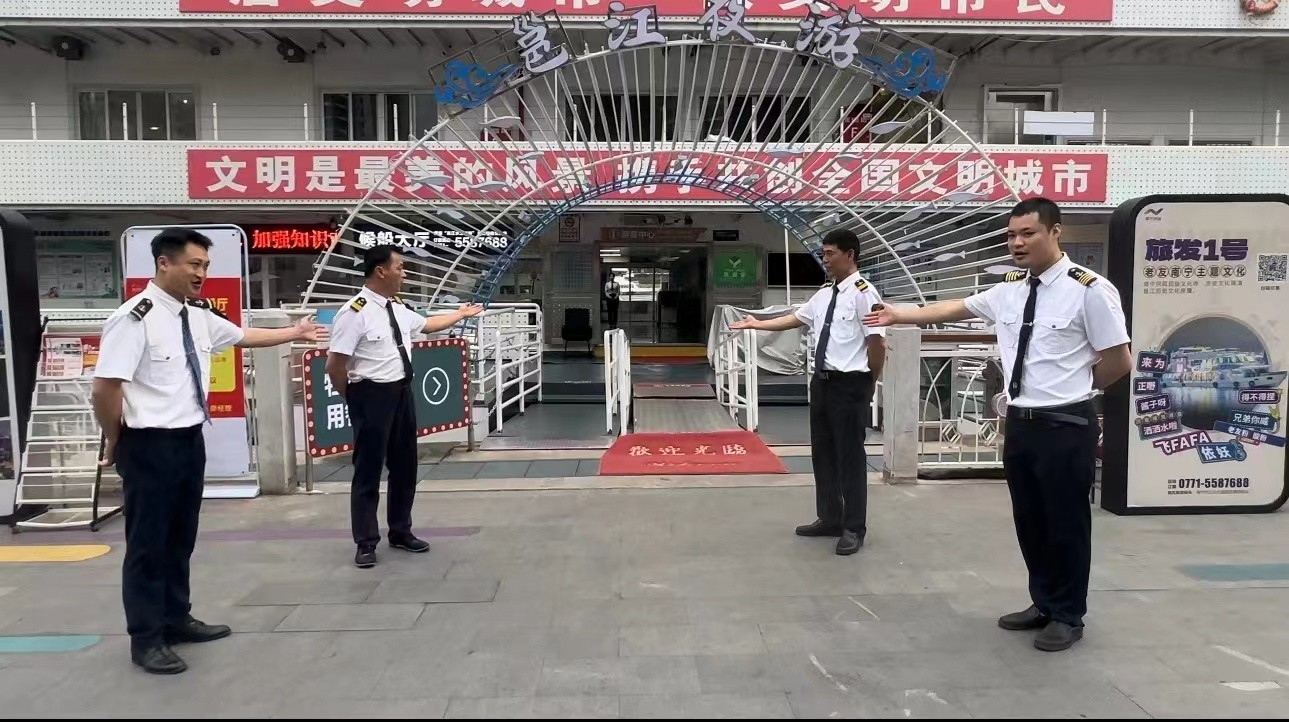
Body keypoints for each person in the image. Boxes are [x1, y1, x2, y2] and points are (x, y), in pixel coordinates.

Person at [863, 197, 1132, 652]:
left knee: (1065, 523)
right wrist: (898, 313)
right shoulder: (1009, 289)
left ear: (1055, 232)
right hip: (1021, 423)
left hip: (1066, 424)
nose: (1017, 243)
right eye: (1011, 235)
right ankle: (1043, 602)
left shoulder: (1089, 289)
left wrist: (1075, 390)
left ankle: (1068, 614)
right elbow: (955, 308)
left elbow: (1119, 360)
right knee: (1030, 520)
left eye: (1028, 233)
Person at [92, 228, 321, 675]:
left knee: (181, 538)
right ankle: (146, 638)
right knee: (147, 545)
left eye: (206, 266)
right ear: (164, 263)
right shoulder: (134, 317)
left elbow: (242, 336)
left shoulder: (196, 314)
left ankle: (176, 618)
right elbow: (105, 387)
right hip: (149, 444)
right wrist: (115, 437)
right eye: (194, 264)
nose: (201, 274)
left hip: (188, 440)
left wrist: (295, 331)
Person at [326, 245, 483, 569]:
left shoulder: (397, 307)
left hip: (401, 392)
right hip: (370, 394)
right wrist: (353, 397)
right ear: (380, 270)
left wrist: (461, 314)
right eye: (400, 266)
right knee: (368, 470)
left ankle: (400, 531)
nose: (405, 273)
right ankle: (366, 542)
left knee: (405, 466)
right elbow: (334, 364)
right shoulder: (354, 313)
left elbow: (427, 325)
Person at [731, 229, 886, 556]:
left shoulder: (864, 293)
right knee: (823, 453)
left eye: (830, 254)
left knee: (850, 457)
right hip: (823, 383)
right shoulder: (825, 294)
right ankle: (830, 517)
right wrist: (756, 324)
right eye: (823, 254)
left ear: (850, 255)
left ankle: (853, 527)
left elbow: (877, 343)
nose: (824, 260)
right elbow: (794, 319)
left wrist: (870, 380)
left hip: (850, 383)